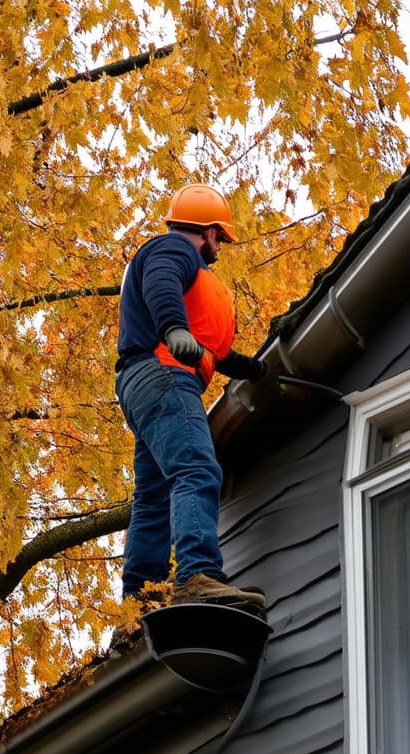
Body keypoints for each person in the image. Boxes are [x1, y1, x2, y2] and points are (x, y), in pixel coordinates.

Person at [115, 183, 267, 612]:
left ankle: (138, 603)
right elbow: (162, 285)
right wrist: (174, 329)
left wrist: (251, 369)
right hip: (164, 375)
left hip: (143, 383)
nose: (220, 247)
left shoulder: (184, 268)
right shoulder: (174, 251)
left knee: (153, 498)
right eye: (221, 237)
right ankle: (198, 574)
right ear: (210, 230)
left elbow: (210, 350)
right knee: (197, 468)